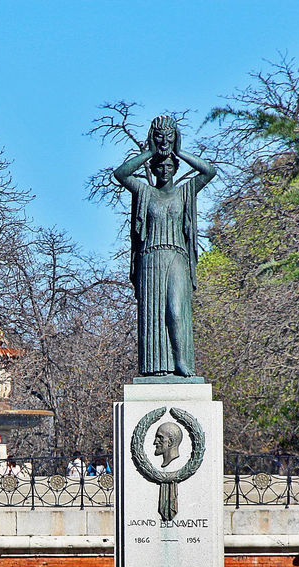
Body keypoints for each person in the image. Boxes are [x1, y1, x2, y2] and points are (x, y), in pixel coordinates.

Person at [114, 114, 216, 377]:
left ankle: (182, 361)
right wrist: (149, 151)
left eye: (170, 166)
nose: (164, 170)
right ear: (154, 169)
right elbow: (120, 173)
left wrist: (179, 150)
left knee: (175, 309)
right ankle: (156, 367)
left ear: (176, 168)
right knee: (154, 315)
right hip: (150, 258)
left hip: (177, 256)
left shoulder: (185, 191)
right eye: (160, 167)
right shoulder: (145, 192)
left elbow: (209, 171)